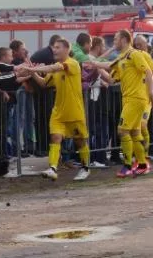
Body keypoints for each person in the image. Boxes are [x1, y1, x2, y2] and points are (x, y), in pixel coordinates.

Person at [18, 40, 104, 181]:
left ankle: (85, 168)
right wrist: (33, 73)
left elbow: (55, 68)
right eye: (54, 47)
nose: (55, 50)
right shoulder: (56, 68)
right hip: (58, 112)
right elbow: (43, 83)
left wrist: (32, 69)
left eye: (58, 47)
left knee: (80, 141)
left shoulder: (72, 64)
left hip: (74, 112)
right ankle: (52, 168)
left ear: (66, 49)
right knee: (55, 138)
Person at [109, 30, 153, 178]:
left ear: (124, 39)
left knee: (124, 130)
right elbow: (112, 78)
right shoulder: (122, 58)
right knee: (134, 132)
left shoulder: (136, 55)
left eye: (115, 38)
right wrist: (95, 67)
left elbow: (152, 72)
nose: (114, 41)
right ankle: (143, 164)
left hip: (137, 99)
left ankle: (129, 165)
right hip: (129, 99)